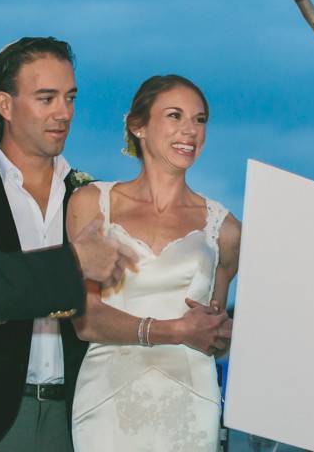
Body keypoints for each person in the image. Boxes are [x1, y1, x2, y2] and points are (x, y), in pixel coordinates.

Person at [67, 75, 241, 452]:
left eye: (200, 119)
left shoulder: (225, 229)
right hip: (107, 398)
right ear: (138, 126)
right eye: (175, 116)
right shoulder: (91, 203)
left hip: (190, 403)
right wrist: (175, 330)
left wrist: (222, 332)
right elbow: (85, 319)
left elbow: (211, 330)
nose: (190, 131)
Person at [0, 37, 96, 451]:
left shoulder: (95, 197)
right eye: (46, 98)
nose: (63, 113)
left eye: (70, 98)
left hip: (79, 418)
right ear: (4, 105)